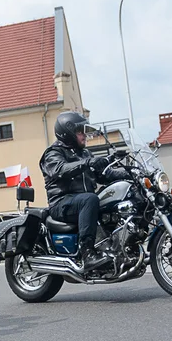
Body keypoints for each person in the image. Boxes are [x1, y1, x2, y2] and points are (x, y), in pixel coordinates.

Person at [39, 111, 131, 271]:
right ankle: (88, 253)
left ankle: (119, 248)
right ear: (68, 132)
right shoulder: (53, 153)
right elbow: (61, 170)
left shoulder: (84, 153)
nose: (85, 136)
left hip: (82, 202)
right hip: (61, 203)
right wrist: (88, 162)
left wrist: (130, 173)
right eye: (80, 132)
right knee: (90, 199)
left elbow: (105, 175)